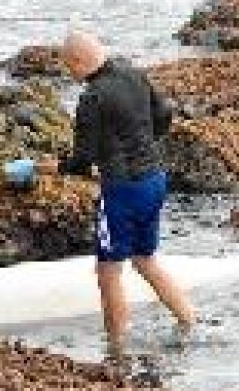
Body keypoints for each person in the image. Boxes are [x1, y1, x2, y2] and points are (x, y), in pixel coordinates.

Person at [39, 31, 195, 351]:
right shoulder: (133, 73)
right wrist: (142, 146)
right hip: (155, 179)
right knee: (144, 258)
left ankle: (116, 347)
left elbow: (81, 161)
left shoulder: (92, 99)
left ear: (79, 61)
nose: (69, 74)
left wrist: (52, 167)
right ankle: (189, 320)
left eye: (69, 66)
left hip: (122, 191)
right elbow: (163, 116)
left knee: (108, 270)